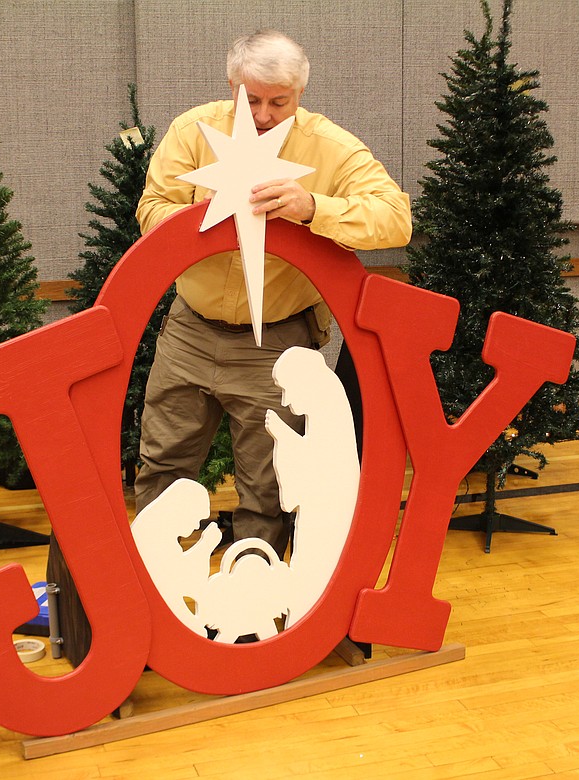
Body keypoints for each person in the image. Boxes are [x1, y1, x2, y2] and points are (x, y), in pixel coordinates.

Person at [134, 30, 412, 559]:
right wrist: (204, 215)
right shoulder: (192, 132)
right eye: (251, 99)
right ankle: (153, 584)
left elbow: (395, 218)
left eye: (279, 102)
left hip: (278, 342)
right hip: (190, 329)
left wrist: (313, 208)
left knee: (269, 486)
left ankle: (253, 599)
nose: (262, 114)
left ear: (300, 93)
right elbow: (151, 209)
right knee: (163, 463)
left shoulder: (330, 147)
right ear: (231, 85)